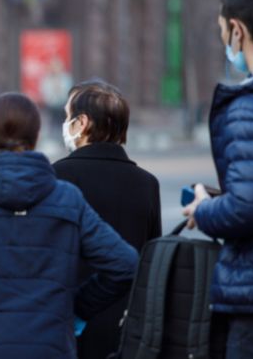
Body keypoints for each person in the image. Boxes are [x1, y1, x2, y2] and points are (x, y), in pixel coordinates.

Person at [0, 92, 139, 359]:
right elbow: (125, 264)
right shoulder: (66, 198)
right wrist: (75, 307)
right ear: (35, 138)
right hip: (50, 347)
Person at [183, 0, 253, 359]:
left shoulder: (250, 106)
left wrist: (204, 209)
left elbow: (248, 207)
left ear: (238, 30)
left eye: (222, 32)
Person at [53, 79, 161, 358]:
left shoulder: (57, 177)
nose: (65, 123)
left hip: (69, 328)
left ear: (82, 123)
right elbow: (151, 260)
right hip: (127, 330)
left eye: (68, 117)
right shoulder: (147, 184)